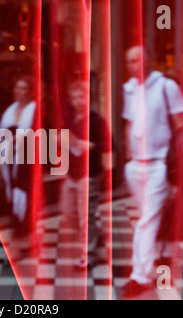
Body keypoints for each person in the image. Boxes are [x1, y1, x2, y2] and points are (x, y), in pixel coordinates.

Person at [121, 46, 183, 298]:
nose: (133, 64)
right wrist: (128, 158)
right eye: (129, 60)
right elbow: (129, 124)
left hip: (159, 164)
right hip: (135, 165)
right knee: (149, 217)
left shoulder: (165, 86)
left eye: (137, 58)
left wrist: (176, 170)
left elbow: (181, 127)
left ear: (148, 59)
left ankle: (139, 275)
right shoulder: (130, 88)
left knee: (146, 220)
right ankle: (165, 254)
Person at [61, 81, 111, 269]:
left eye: (81, 96)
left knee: (85, 217)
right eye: (74, 97)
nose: (77, 100)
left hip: (89, 175)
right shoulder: (70, 119)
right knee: (69, 214)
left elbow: (110, 145)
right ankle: (99, 240)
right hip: (71, 174)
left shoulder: (97, 120)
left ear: (89, 98)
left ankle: (88, 254)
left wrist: (90, 146)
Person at [0, 76, 36, 242]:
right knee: (12, 194)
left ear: (29, 92)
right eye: (16, 88)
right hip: (10, 160)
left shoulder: (34, 111)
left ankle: (25, 233)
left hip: (27, 160)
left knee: (25, 194)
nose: (18, 92)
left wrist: (15, 140)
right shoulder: (10, 111)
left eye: (23, 88)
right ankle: (18, 232)